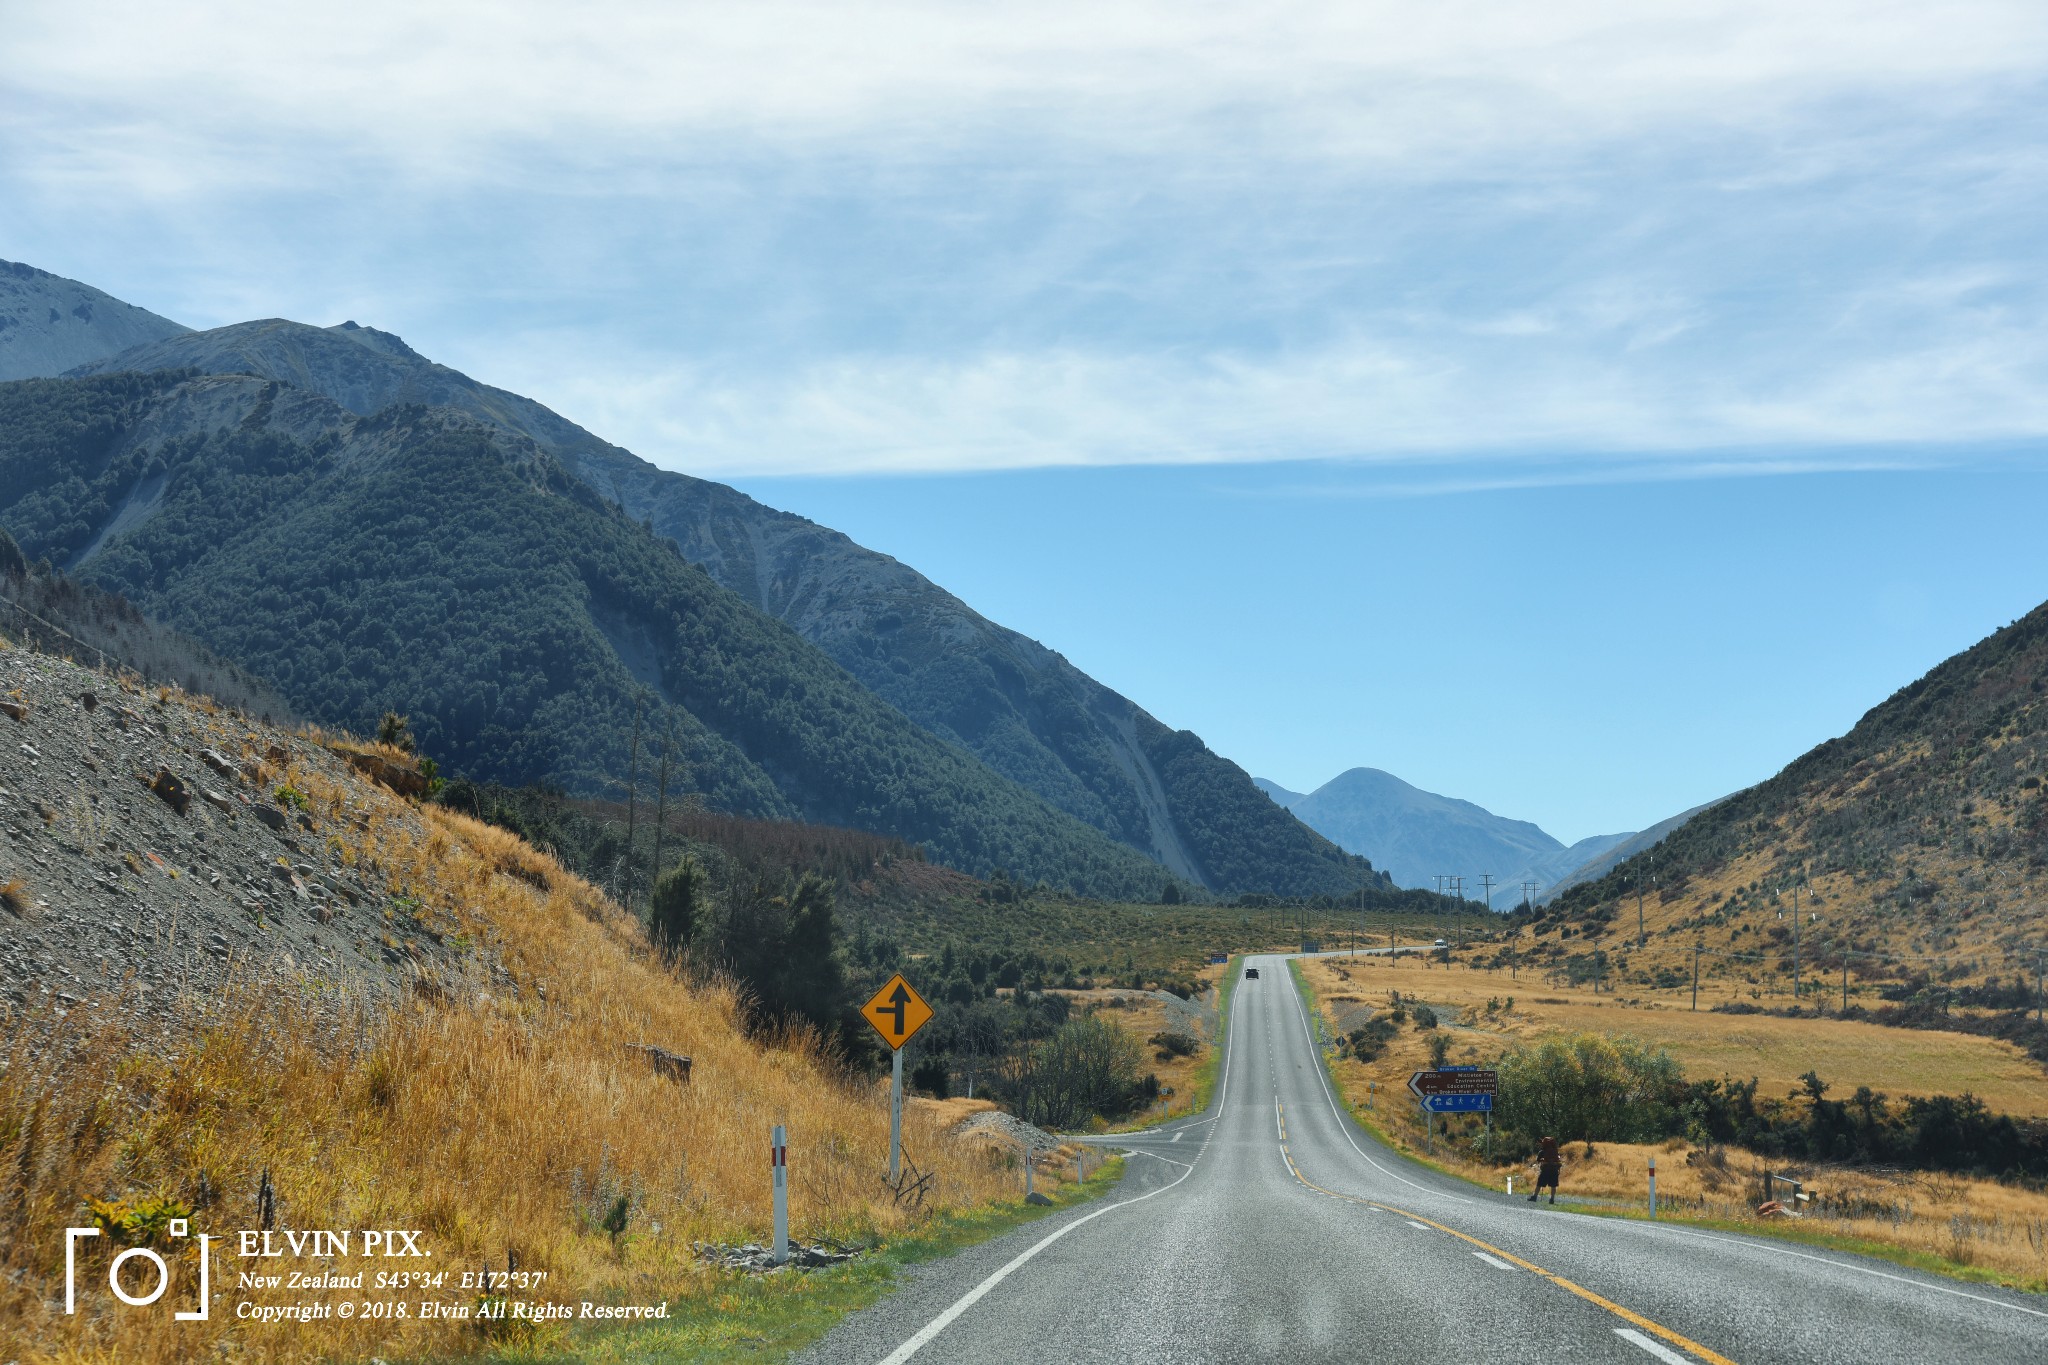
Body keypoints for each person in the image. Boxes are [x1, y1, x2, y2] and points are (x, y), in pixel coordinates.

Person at [1529, 1135, 1561, 1204]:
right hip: (1554, 1170)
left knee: (1539, 1184)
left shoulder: (1542, 1151)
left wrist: (1543, 1160)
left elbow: (1538, 1160)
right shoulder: (1555, 1151)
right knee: (1553, 1185)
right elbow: (1558, 1160)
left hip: (1545, 1170)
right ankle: (1552, 1199)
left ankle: (1534, 1197)